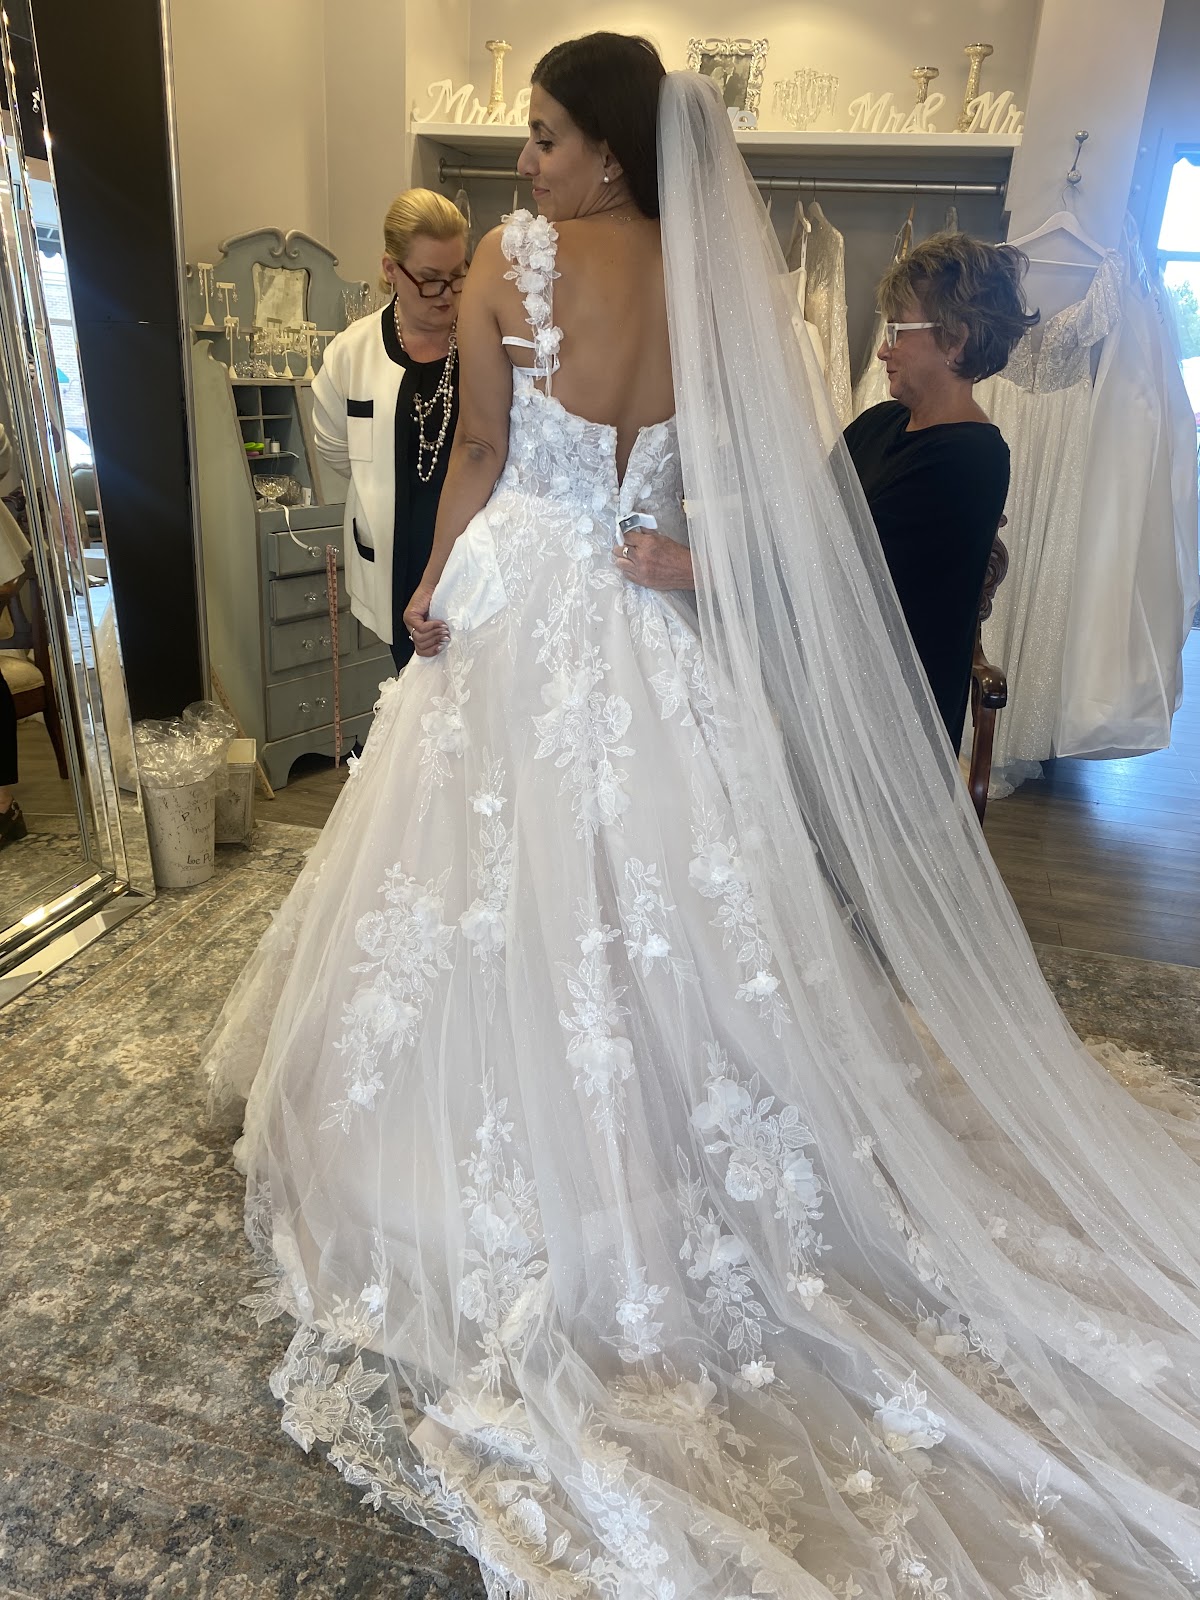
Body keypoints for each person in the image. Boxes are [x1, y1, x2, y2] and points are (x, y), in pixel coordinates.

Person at [206, 36, 1200, 1600]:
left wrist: (432, 580)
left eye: (543, 134)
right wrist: (669, 553)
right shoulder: (718, 282)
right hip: (640, 606)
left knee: (490, 870)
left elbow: (480, 450)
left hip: (528, 593)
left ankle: (522, 1158)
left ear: (605, 146)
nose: (523, 161)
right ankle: (679, 1140)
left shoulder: (516, 262)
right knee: (660, 874)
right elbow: (744, 490)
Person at [844, 235, 1036, 747]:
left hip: (894, 721)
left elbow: (842, 563)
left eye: (896, 330)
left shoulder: (971, 459)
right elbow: (807, 512)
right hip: (839, 676)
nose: (882, 349)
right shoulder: (881, 422)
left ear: (955, 340)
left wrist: (700, 571)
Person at [312, 190, 467, 672]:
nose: (447, 294)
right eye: (430, 279)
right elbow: (334, 449)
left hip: (471, 554)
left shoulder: (484, 343)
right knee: (411, 687)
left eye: (458, 275)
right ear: (390, 269)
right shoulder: (350, 352)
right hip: (394, 557)